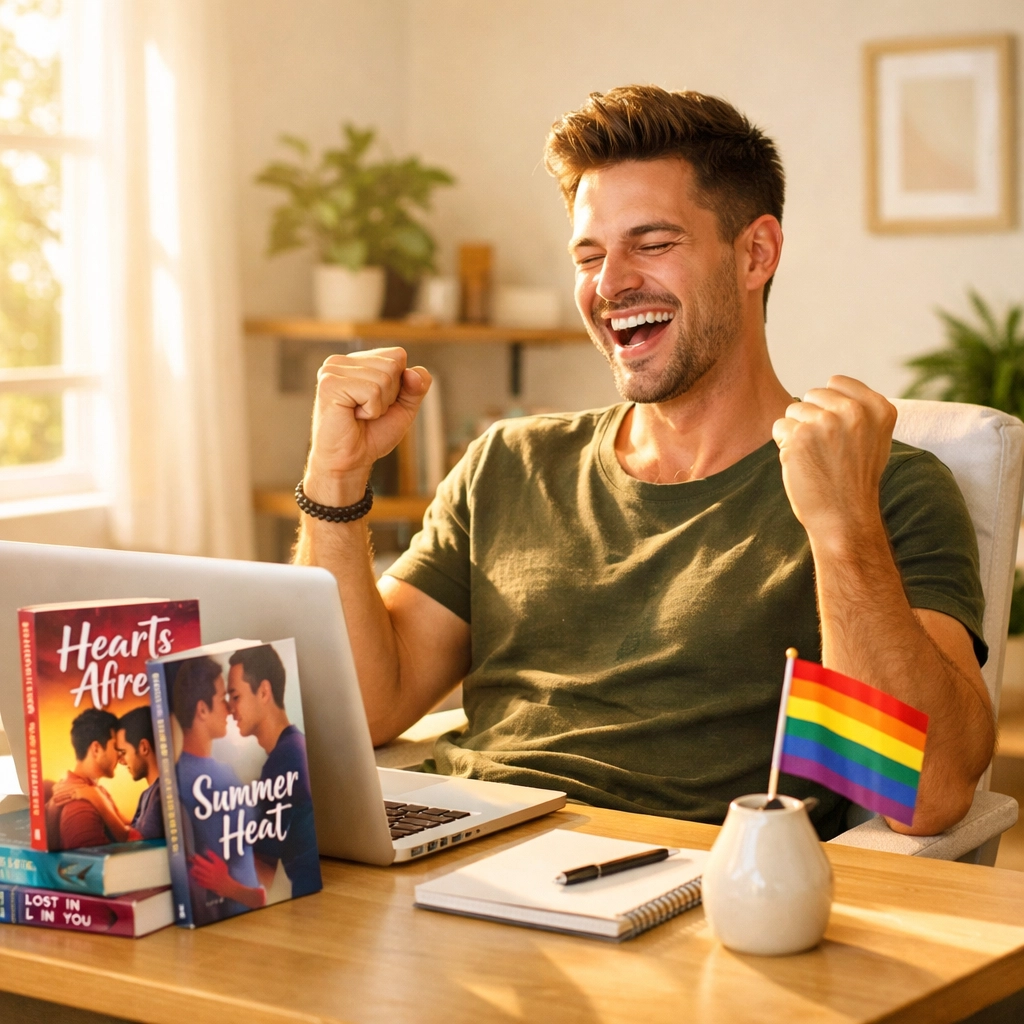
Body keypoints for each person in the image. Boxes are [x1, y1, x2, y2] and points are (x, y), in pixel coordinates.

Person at [293, 85, 994, 840]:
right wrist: (336, 479)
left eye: (653, 244)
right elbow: (366, 707)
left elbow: (927, 794)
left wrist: (842, 526)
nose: (611, 283)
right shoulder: (509, 463)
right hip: (455, 844)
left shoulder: (879, 483)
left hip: (665, 882)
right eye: (589, 255)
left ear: (755, 253)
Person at [172, 656, 265, 923]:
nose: (228, 709)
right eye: (223, 698)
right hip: (242, 917)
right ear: (202, 710)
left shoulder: (185, 773)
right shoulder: (212, 778)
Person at [226, 645, 320, 897]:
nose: (229, 709)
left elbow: (262, 874)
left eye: (235, 697)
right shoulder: (294, 747)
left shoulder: (284, 760)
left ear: (264, 691)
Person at [48, 708, 141, 849]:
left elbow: (130, 827)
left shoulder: (94, 791)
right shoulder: (81, 804)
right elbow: (90, 866)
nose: (121, 757)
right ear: (96, 749)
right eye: (116, 747)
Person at [116, 706, 164, 840]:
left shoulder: (162, 793)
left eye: (123, 753)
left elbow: (138, 843)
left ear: (143, 747)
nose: (121, 762)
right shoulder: (147, 795)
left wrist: (97, 801)